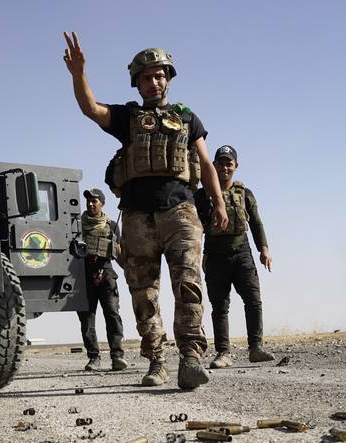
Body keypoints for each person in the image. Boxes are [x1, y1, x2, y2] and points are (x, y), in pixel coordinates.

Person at [63, 32, 228, 389]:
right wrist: (79, 75)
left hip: (181, 211)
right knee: (144, 292)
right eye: (146, 77)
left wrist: (218, 202)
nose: (154, 82)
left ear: (167, 78)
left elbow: (205, 162)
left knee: (188, 283)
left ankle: (191, 357)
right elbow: (91, 108)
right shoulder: (128, 117)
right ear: (136, 83)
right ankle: (156, 361)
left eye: (159, 75)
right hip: (137, 216)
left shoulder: (187, 118)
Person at [194, 145, 274, 368]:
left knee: (253, 300)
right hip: (215, 255)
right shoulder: (201, 196)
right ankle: (223, 353)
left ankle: (255, 348)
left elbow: (256, 222)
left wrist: (264, 249)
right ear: (214, 166)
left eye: (229, 163)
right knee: (219, 305)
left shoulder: (245, 194)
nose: (225, 167)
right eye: (220, 163)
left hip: (242, 253)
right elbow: (194, 227)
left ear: (236, 166)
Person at [77, 187, 127, 372]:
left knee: (112, 315)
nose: (91, 203)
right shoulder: (77, 226)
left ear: (102, 203)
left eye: (94, 200)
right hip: (83, 275)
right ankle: (93, 358)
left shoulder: (112, 225)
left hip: (106, 273)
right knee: (87, 319)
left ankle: (117, 356)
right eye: (88, 201)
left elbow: (119, 252)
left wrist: (129, 272)